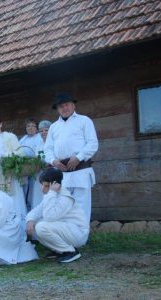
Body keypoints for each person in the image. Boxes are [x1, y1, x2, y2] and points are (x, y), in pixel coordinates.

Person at [44, 92, 98, 223]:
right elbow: (48, 149)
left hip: (81, 171)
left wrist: (79, 157)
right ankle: (67, 235)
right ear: (57, 109)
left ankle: (81, 237)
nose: (64, 108)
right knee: (64, 206)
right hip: (62, 173)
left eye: (67, 104)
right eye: (61, 106)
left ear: (73, 105)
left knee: (81, 206)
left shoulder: (84, 121)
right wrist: (53, 161)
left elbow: (93, 143)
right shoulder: (53, 127)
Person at [26, 168, 89, 263]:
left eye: (46, 186)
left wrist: (51, 193)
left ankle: (70, 251)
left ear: (56, 185)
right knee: (34, 225)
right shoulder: (52, 195)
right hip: (67, 229)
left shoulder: (65, 197)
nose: (43, 189)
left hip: (78, 233)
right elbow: (37, 211)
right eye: (42, 185)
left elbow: (49, 217)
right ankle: (59, 250)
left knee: (41, 227)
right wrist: (30, 220)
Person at [19, 118, 44, 211]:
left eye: (33, 126)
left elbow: (40, 153)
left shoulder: (39, 138)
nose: (30, 128)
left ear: (37, 128)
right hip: (24, 168)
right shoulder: (23, 139)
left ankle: (35, 208)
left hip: (36, 168)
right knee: (24, 190)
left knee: (34, 191)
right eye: (28, 126)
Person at [29, 120, 52, 209]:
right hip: (40, 173)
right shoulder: (38, 145)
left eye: (46, 130)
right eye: (41, 131)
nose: (44, 132)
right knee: (39, 193)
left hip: (51, 172)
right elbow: (38, 157)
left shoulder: (53, 143)